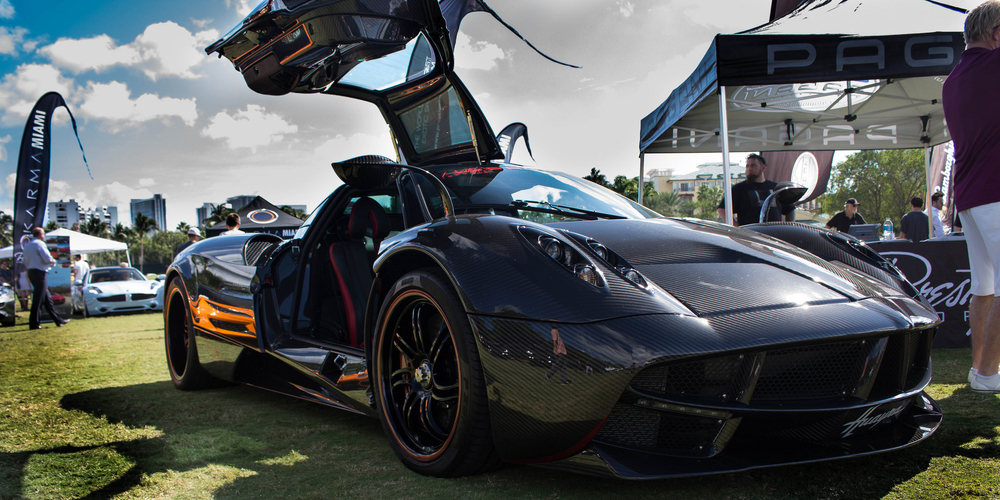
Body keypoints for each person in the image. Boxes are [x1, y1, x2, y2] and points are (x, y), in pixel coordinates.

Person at [942, 1, 1000, 392]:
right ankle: (987, 375)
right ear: (997, 34)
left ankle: (979, 367)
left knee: (984, 286)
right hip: (995, 189)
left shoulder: (953, 78)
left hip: (970, 194)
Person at [717, 153, 794, 226]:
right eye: (747, 166)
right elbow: (722, 209)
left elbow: (790, 209)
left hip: (774, 235)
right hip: (750, 237)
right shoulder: (739, 189)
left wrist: (789, 228)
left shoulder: (776, 187)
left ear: (763, 168)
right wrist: (737, 229)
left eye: (753, 165)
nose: (749, 169)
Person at [22, 227, 69, 329]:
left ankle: (57, 320)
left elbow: (24, 261)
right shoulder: (40, 244)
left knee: (47, 299)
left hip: (31, 272)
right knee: (38, 299)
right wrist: (53, 262)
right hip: (40, 273)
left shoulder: (27, 245)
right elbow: (47, 258)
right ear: (41, 235)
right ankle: (34, 323)